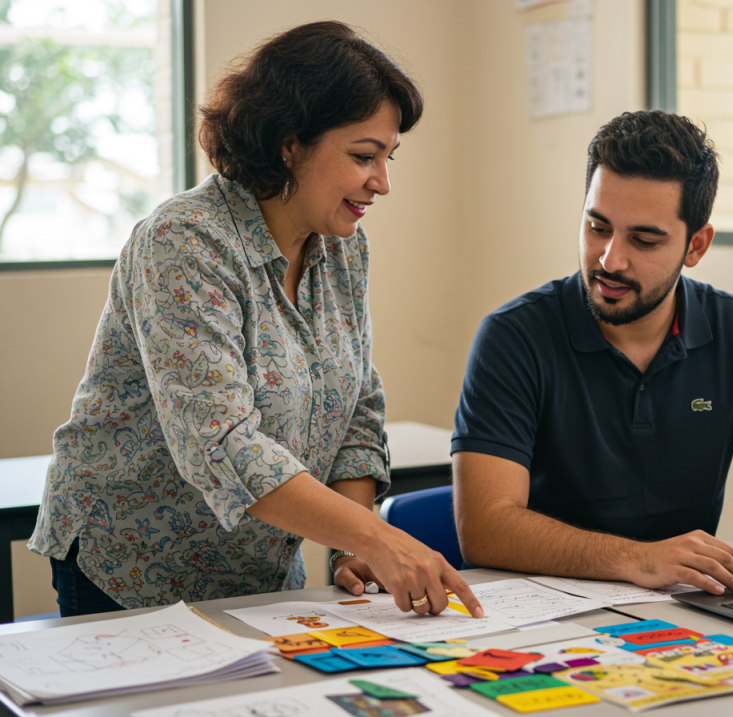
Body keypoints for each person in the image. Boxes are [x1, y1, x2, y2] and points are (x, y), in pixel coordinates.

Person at [28, 21, 483, 620]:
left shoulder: (343, 245)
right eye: (363, 156)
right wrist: (379, 538)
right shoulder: (184, 241)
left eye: (388, 157)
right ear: (289, 142)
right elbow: (221, 442)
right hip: (134, 568)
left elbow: (357, 410)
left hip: (261, 569)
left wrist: (357, 540)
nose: (383, 182)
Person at [452, 111, 733, 597]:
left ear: (695, 245)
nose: (611, 260)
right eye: (597, 227)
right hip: (543, 614)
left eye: (644, 239)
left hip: (683, 615)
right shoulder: (513, 337)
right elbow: (486, 529)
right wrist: (639, 558)